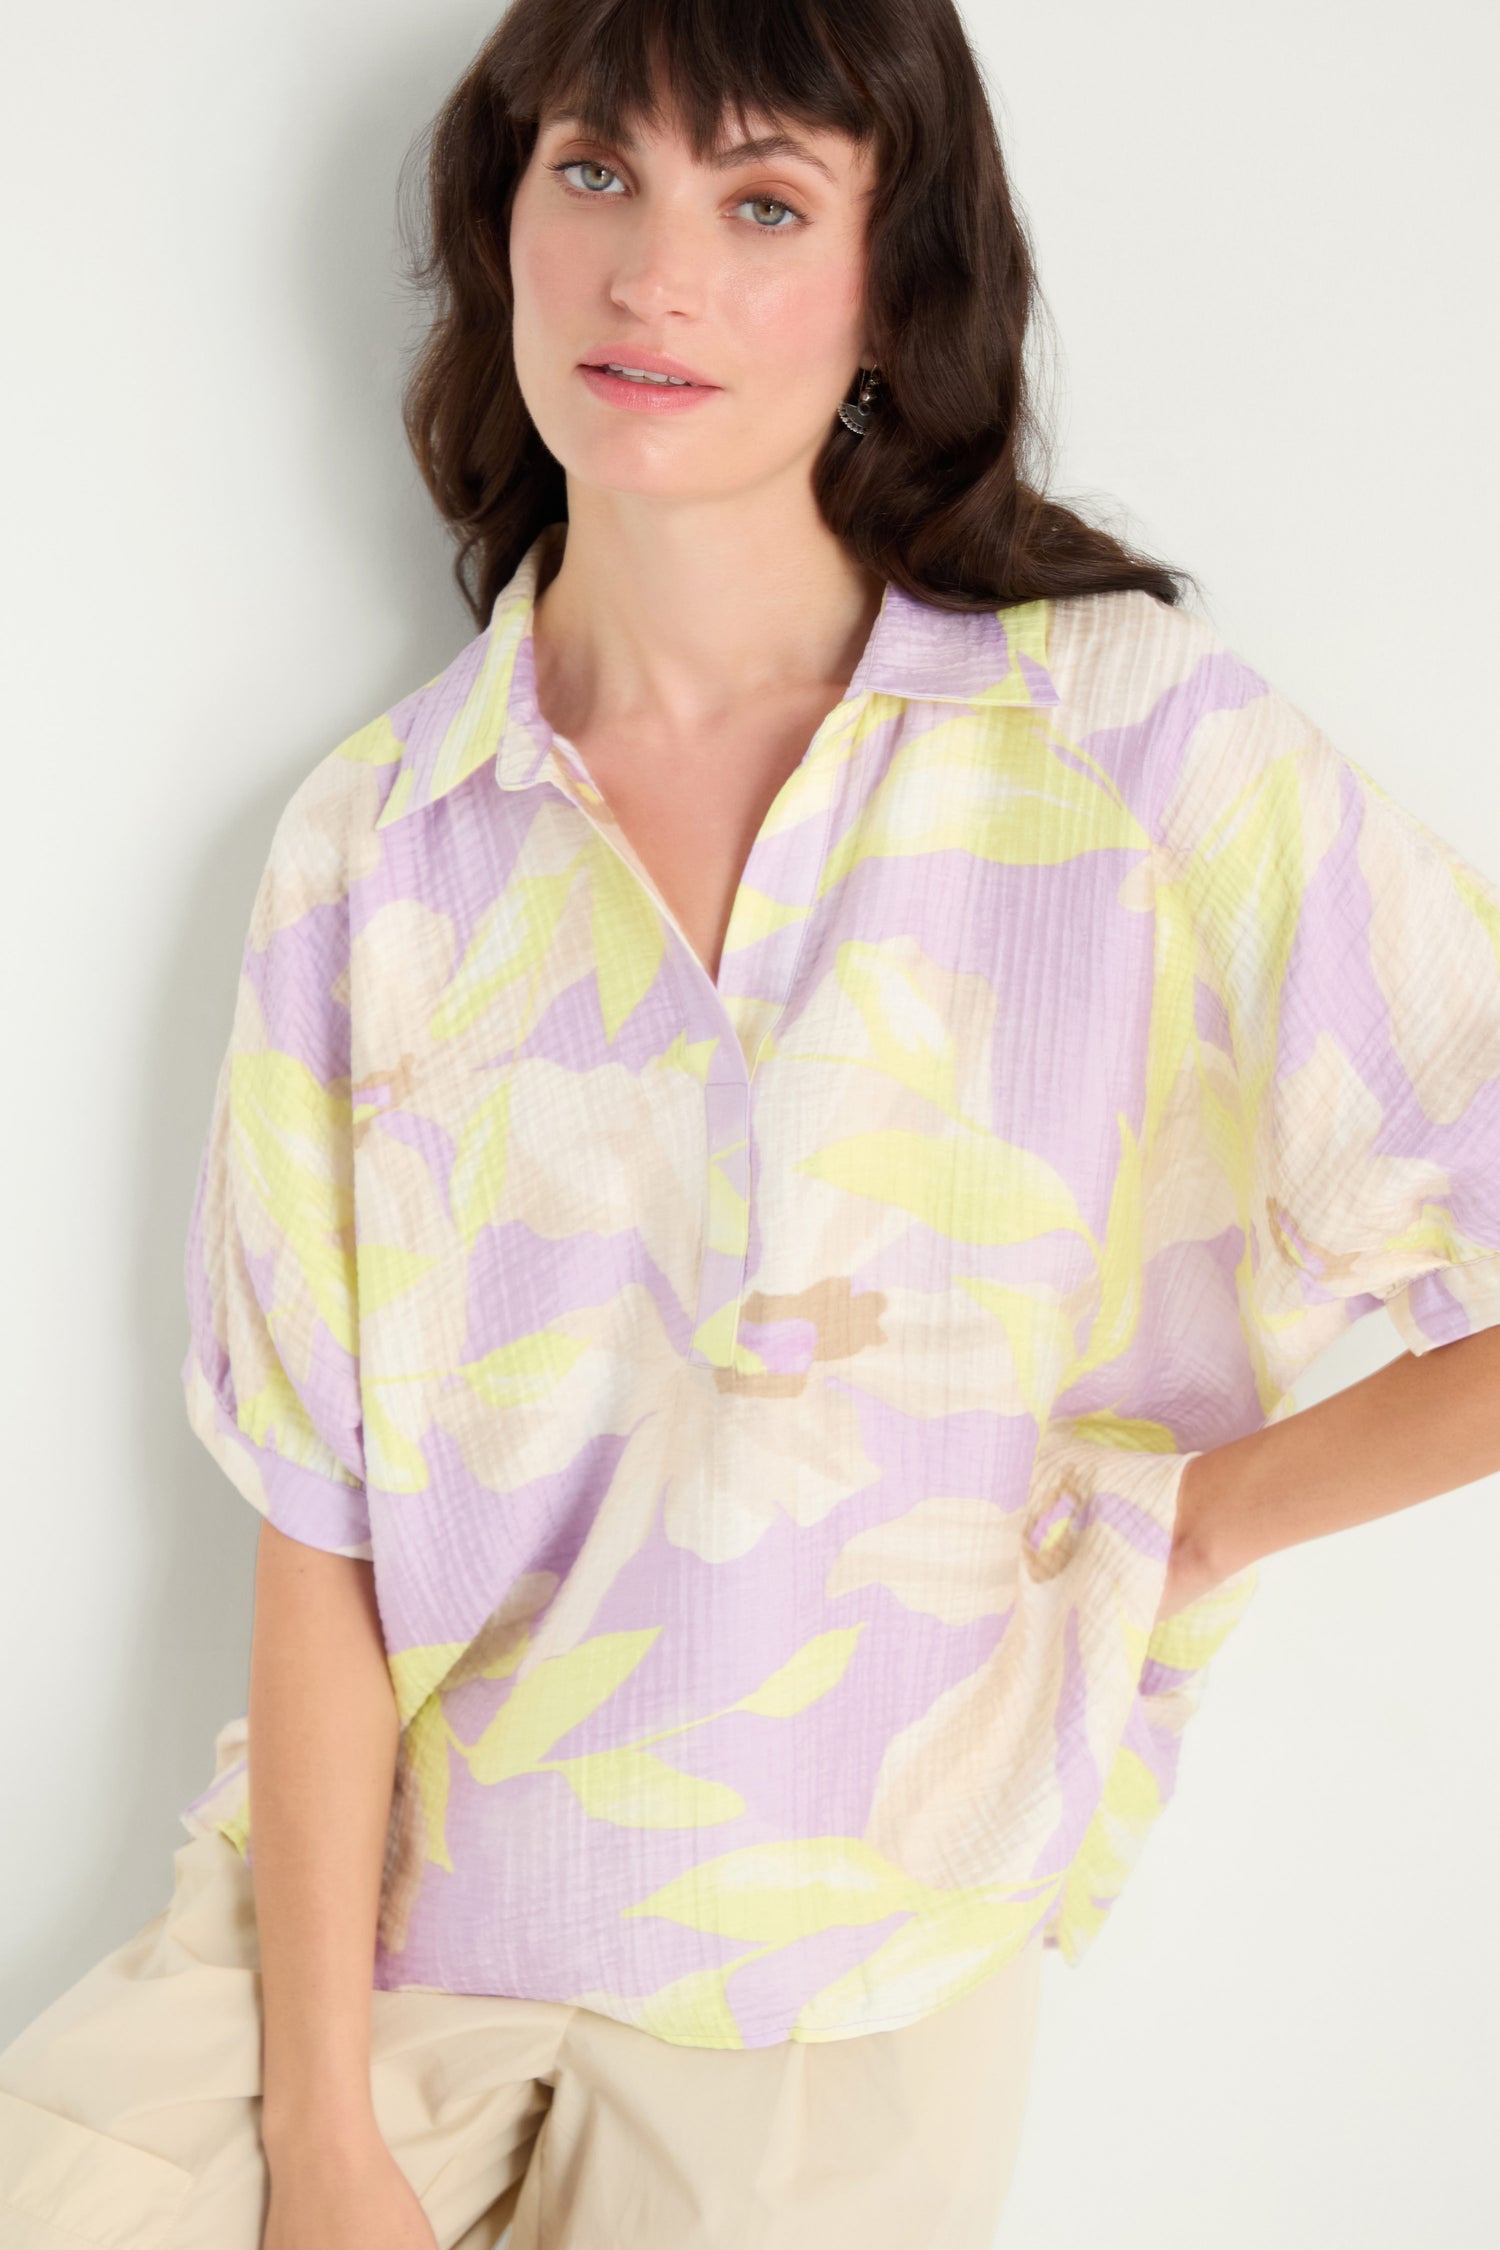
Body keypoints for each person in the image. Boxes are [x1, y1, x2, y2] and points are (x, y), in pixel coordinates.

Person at [5, 0, 1500, 2244]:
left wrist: (1194, 1527)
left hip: (840, 1994)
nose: (654, 275)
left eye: (764, 200)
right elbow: (320, 1519)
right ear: (499, 222)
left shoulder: (1128, 756)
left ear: (894, 296)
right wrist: (320, 2125)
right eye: (594, 170)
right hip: (381, 1938)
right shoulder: (379, 843)